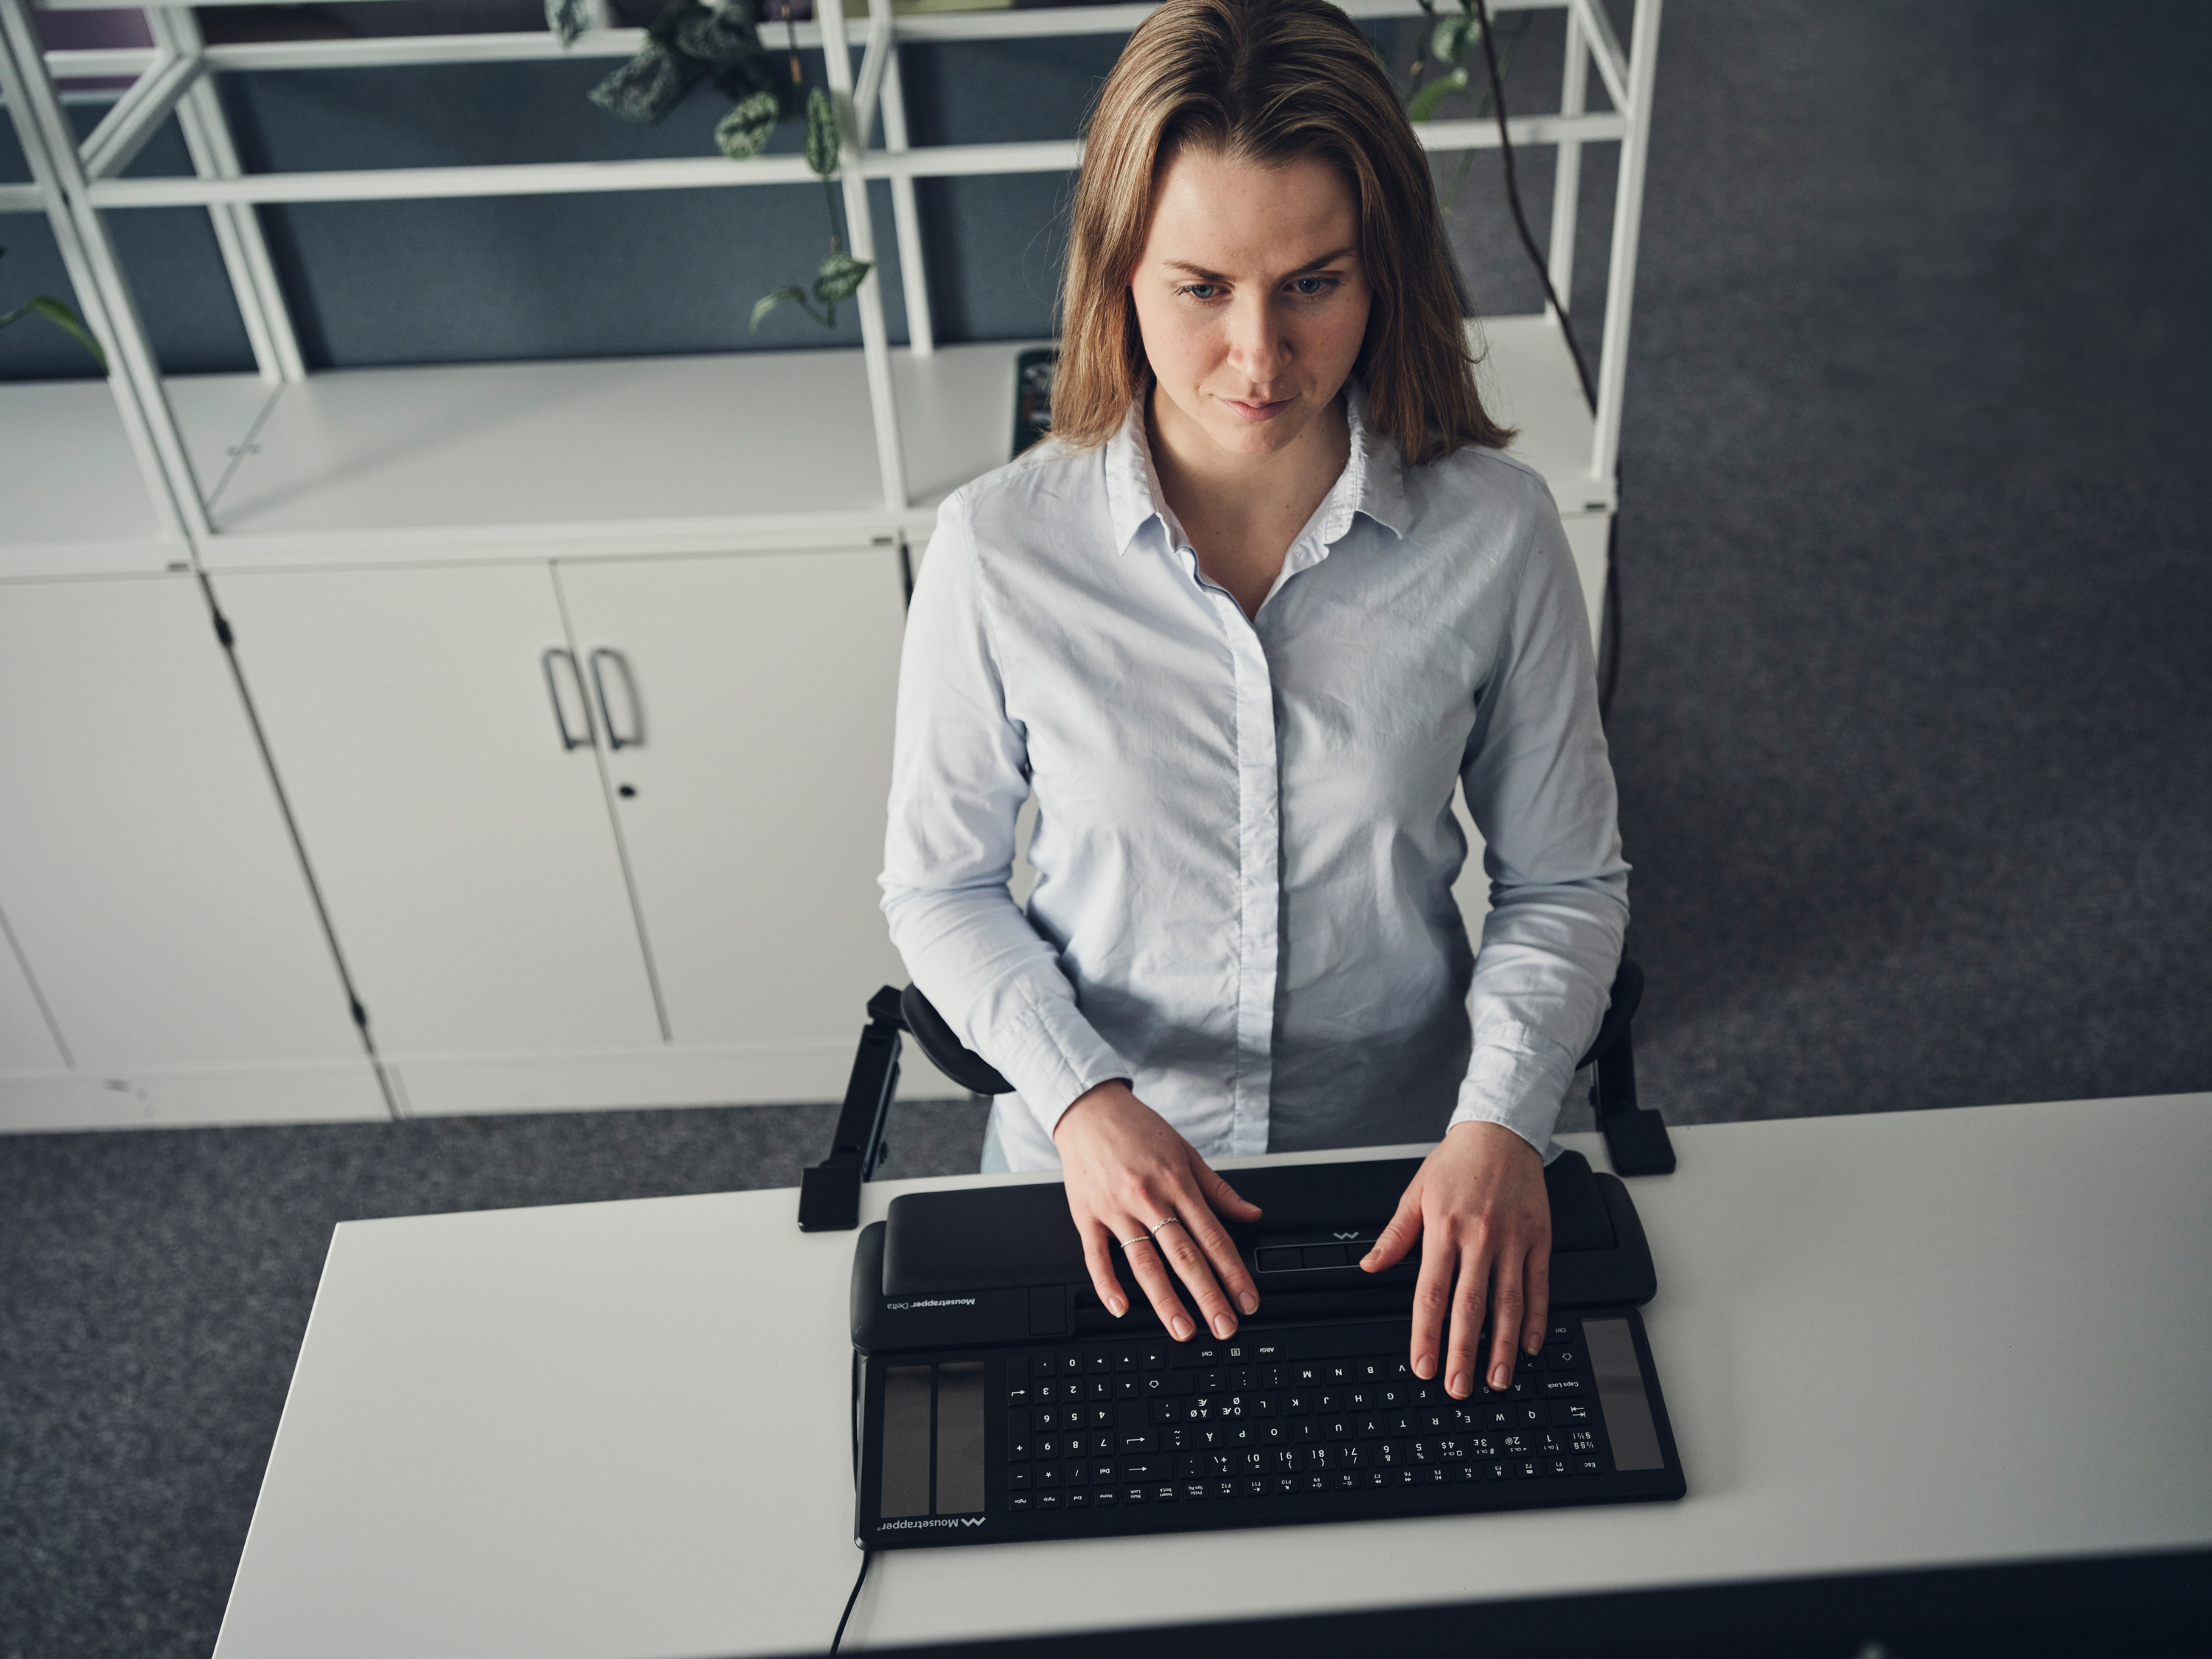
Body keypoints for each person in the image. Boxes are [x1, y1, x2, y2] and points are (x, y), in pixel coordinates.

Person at [880, 0, 1627, 1403]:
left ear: (1384, 268)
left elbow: (1567, 881)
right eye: (1201, 288)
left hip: (1410, 1180)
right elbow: (940, 885)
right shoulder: (998, 547)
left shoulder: (1499, 532)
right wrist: (1082, 1099)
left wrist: (1502, 1124)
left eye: (1313, 284)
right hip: (1098, 1180)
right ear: (1120, 271)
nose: (1261, 357)